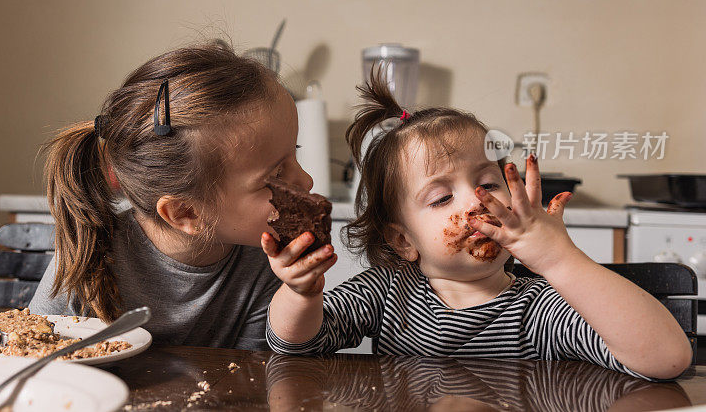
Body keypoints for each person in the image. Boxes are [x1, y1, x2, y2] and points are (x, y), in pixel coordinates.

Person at [261, 72, 692, 379]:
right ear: (403, 239)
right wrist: (300, 292)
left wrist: (559, 261)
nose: (474, 201)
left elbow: (666, 359)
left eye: (487, 183)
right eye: (442, 197)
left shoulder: (537, 308)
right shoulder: (386, 294)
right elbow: (295, 346)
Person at [29, 41, 313, 350]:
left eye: (294, 154)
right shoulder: (88, 255)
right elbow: (35, 358)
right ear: (186, 214)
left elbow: (254, 376)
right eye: (275, 175)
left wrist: (300, 294)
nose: (307, 181)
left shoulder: (264, 261)